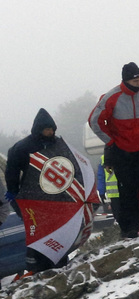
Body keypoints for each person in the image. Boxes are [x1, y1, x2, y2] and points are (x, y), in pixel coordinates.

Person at [5, 109, 99, 269]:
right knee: (39, 233)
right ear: (38, 129)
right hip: (33, 199)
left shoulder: (59, 144)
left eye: (52, 129)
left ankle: (60, 262)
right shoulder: (22, 148)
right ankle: (38, 267)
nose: (50, 132)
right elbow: (12, 172)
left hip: (59, 198)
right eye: (47, 129)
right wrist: (13, 192)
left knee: (58, 230)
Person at [89, 63, 139, 237]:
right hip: (121, 151)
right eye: (135, 80)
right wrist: (111, 141)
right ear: (126, 80)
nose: (138, 83)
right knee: (127, 189)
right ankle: (129, 228)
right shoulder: (112, 97)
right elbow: (95, 121)